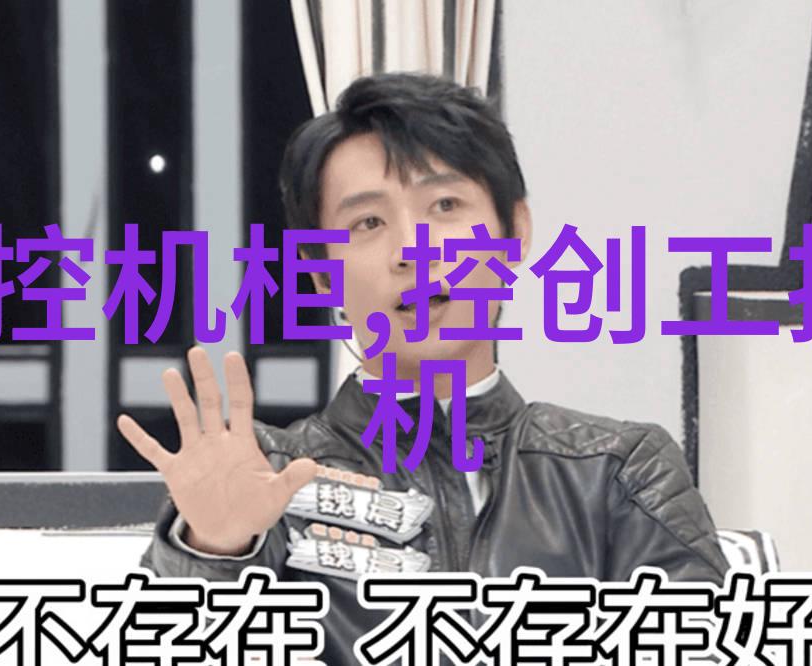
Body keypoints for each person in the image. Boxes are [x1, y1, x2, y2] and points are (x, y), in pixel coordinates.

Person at [118, 72, 728, 664]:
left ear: (515, 232)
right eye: (368, 222)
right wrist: (212, 554)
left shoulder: (616, 471)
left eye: (444, 204)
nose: (413, 248)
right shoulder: (272, 479)